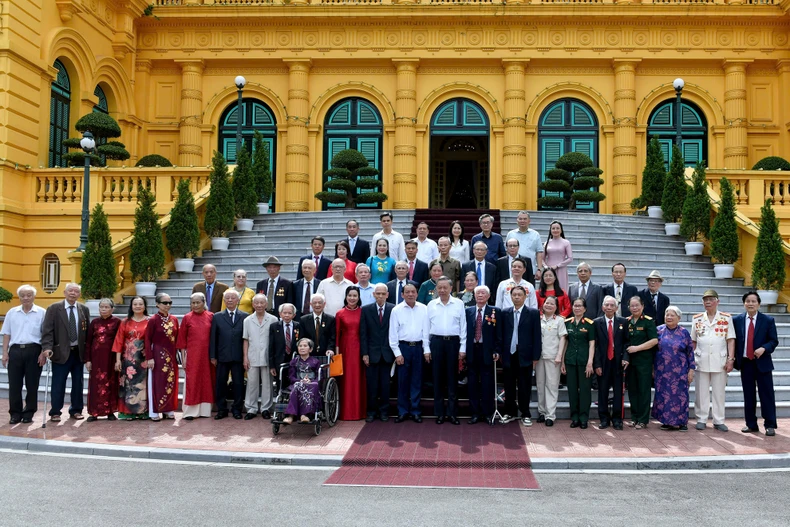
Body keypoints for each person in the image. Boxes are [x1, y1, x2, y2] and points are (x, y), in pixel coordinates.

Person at [40, 282, 90, 421]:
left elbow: (87, 332)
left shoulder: (83, 309)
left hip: (78, 353)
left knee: (78, 383)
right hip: (60, 352)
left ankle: (76, 410)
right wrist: (47, 347)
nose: (73, 293)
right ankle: (55, 411)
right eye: (70, 291)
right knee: (58, 383)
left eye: (76, 291)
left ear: (79, 294)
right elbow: (47, 330)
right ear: (65, 292)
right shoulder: (54, 308)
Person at [733, 291, 779, 437]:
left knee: (767, 394)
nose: (751, 304)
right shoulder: (737, 320)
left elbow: (774, 341)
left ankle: (770, 425)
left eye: (753, 301)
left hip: (762, 363)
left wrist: (764, 348)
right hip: (746, 363)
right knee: (749, 395)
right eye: (748, 301)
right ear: (744, 303)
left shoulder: (768, 320)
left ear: (759, 304)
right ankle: (751, 424)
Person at [1, 285, 46, 424]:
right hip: (15, 351)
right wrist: (4, 353)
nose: (25, 298)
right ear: (19, 297)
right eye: (22, 295)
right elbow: (7, 334)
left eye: (28, 295)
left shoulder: (42, 312)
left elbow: (46, 335)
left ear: (34, 296)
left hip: (34, 350)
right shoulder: (12, 312)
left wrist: (42, 353)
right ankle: (15, 413)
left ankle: (29, 412)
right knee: (14, 384)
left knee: (32, 384)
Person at [691, 289, 735, 432]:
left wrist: (730, 359)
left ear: (717, 301)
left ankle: (719, 420)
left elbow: (730, 340)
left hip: (720, 359)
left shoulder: (726, 318)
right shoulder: (697, 318)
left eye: (711, 299)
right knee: (701, 392)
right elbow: (693, 341)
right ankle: (701, 418)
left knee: (719, 392)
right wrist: (692, 359)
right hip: (701, 359)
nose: (708, 302)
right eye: (705, 300)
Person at [426, 277, 467, 425]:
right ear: (436, 289)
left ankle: (452, 413)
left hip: (453, 344)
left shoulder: (459, 304)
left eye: (445, 287)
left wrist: (463, 348)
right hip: (436, 343)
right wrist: (426, 349)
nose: (442, 290)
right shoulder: (431, 305)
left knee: (452, 379)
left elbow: (463, 327)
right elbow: (426, 328)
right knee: (437, 379)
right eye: (439, 288)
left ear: (451, 289)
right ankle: (439, 413)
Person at [500, 285, 541, 425]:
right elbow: (500, 335)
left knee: (524, 386)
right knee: (509, 385)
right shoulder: (504, 313)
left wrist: (536, 356)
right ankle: (509, 412)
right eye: (514, 295)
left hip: (526, 355)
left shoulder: (533, 313)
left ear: (525, 297)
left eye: (519, 295)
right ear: (510, 297)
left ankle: (525, 414)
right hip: (508, 354)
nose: (517, 297)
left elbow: (536, 336)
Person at [389, 283, 429, 423]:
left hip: (418, 348)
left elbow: (426, 331)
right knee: (402, 382)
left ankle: (416, 411)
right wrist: (397, 353)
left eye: (413, 292)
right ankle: (402, 411)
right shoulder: (396, 310)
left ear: (417, 294)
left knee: (417, 381)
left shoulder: (424, 309)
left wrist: (426, 350)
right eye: (407, 292)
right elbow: (392, 334)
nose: (410, 294)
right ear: (402, 294)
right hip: (403, 348)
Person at [653, 305, 695, 431]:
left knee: (680, 396)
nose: (669, 317)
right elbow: (653, 351)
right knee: (664, 396)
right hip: (662, 370)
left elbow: (690, 352)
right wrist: (652, 369)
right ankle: (666, 421)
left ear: (679, 318)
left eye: (672, 315)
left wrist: (691, 370)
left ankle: (682, 422)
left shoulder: (684, 332)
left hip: (680, 371)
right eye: (667, 315)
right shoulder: (658, 330)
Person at [210, 289, 249, 420]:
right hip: (222, 356)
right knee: (221, 383)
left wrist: (246, 356)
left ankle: (237, 409)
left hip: (238, 356)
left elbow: (247, 338)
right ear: (224, 300)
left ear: (238, 300)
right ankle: (222, 409)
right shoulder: (217, 316)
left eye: (233, 298)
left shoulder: (245, 316)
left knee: (238, 383)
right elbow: (213, 337)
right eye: (227, 298)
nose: (230, 300)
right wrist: (213, 356)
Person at [465, 286, 501, 425]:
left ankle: (487, 413)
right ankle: (474, 413)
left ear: (488, 295)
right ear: (474, 295)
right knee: (472, 384)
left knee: (487, 384)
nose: (480, 295)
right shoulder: (468, 311)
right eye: (478, 293)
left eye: (483, 293)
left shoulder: (495, 311)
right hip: (472, 350)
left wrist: (497, 350)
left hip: (488, 352)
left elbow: (499, 334)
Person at [176, 292, 215, 420]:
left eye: (198, 302)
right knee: (192, 381)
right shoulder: (187, 317)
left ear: (204, 303)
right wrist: (183, 358)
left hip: (207, 355)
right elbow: (181, 340)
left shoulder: (211, 316)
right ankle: (190, 411)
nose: (195, 305)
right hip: (192, 354)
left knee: (206, 381)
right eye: (193, 303)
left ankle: (204, 410)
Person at [593, 295, 629, 430]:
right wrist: (596, 364)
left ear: (616, 308)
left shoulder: (623, 322)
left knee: (618, 392)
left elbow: (627, 342)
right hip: (603, 362)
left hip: (618, 362)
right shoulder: (596, 322)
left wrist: (626, 357)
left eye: (612, 305)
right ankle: (604, 418)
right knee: (602, 391)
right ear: (603, 307)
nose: (609, 307)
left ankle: (617, 419)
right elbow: (594, 345)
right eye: (606, 305)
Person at [360, 284, 395, 422]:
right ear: (374, 294)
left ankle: (384, 412)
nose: (380, 296)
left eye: (383, 294)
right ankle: (371, 412)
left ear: (387, 295)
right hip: (372, 354)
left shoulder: (394, 309)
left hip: (387, 353)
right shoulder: (366, 310)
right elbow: (363, 334)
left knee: (385, 386)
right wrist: (365, 353)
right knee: (372, 385)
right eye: (378, 293)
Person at [112, 297, 150, 420]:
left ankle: (143, 411)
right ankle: (126, 412)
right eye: (135, 304)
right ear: (131, 306)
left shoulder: (150, 321)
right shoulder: (125, 322)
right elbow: (119, 341)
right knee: (127, 385)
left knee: (142, 385)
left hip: (144, 360)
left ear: (145, 306)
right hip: (128, 360)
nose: (138, 306)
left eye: (140, 304)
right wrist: (118, 360)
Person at [85, 298, 122, 421]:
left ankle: (110, 411)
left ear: (112, 309)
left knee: (111, 382)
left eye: (106, 307)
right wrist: (88, 360)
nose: (104, 309)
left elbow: (120, 341)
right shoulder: (94, 322)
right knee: (95, 384)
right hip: (96, 359)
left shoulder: (117, 322)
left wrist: (118, 359)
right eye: (102, 307)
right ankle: (94, 412)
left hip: (111, 358)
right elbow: (88, 342)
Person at [145, 293, 180, 421]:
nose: (167, 305)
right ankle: (155, 411)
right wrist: (149, 357)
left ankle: (168, 409)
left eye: (170, 302)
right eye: (165, 303)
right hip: (157, 355)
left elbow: (177, 339)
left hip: (171, 355)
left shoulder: (174, 319)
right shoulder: (153, 320)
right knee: (157, 382)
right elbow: (147, 339)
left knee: (170, 381)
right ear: (157, 304)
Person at [243, 293, 278, 420]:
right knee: (252, 383)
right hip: (252, 355)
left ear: (266, 304)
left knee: (267, 383)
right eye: (256, 303)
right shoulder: (247, 320)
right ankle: (251, 408)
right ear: (253, 304)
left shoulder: (273, 319)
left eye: (262, 303)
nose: (259, 305)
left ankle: (265, 408)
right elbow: (245, 340)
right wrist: (245, 357)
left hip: (267, 356)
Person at [626, 295, 659, 429]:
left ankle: (643, 419)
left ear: (642, 306)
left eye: (637, 305)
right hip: (630, 362)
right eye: (632, 306)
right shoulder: (627, 321)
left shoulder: (648, 321)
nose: (634, 308)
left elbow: (654, 340)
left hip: (644, 361)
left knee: (644, 390)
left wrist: (637, 348)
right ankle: (634, 417)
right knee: (632, 390)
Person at [563, 297, 595, 429]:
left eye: (580, 306)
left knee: (585, 390)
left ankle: (583, 417)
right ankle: (574, 417)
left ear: (585, 309)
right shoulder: (567, 323)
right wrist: (563, 362)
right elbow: (564, 343)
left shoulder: (589, 324)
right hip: (570, 360)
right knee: (572, 390)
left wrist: (590, 362)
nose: (577, 308)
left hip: (584, 361)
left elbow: (592, 344)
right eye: (575, 306)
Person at [536, 296, 567, 427]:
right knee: (540, 385)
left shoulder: (559, 320)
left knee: (552, 386)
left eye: (552, 304)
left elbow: (563, 338)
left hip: (553, 357)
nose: (548, 305)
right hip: (539, 358)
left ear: (556, 307)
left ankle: (550, 415)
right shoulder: (537, 319)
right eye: (546, 303)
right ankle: (542, 412)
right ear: (543, 305)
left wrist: (559, 355)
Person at [336, 286, 366, 421]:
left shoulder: (363, 312)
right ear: (346, 296)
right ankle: (345, 412)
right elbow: (337, 335)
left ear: (359, 297)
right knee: (346, 379)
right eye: (350, 295)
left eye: (355, 296)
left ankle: (359, 412)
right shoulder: (340, 313)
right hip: (345, 348)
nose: (352, 298)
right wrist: (337, 354)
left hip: (359, 348)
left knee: (358, 379)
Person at [282, 338, 322, 425]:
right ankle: (291, 416)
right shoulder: (294, 361)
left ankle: (304, 414)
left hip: (311, 383)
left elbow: (319, 377)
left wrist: (310, 381)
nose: (302, 348)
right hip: (298, 382)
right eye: (300, 346)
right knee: (298, 385)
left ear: (310, 349)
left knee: (313, 385)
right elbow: (291, 377)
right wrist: (300, 380)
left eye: (305, 346)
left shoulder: (316, 362)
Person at [505, 210, 544, 282]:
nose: (522, 221)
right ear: (517, 220)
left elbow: (539, 253)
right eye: (520, 219)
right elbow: (507, 251)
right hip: (514, 270)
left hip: (530, 269)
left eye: (525, 219)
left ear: (529, 221)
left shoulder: (535, 234)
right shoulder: (511, 234)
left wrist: (539, 269)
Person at [268, 303, 301, 377]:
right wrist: (272, 366)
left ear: (294, 315)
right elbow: (271, 347)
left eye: (290, 313)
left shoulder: (298, 326)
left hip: (295, 360)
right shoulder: (274, 327)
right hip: (279, 361)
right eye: (284, 313)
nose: (287, 315)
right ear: (280, 314)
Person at [543, 220, 573, 291]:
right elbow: (542, 258)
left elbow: (570, 258)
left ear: (561, 230)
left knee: (561, 288)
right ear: (550, 230)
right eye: (553, 228)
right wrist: (546, 267)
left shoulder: (566, 242)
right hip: (549, 270)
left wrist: (557, 265)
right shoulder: (546, 243)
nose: (555, 230)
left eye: (557, 228)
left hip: (561, 269)